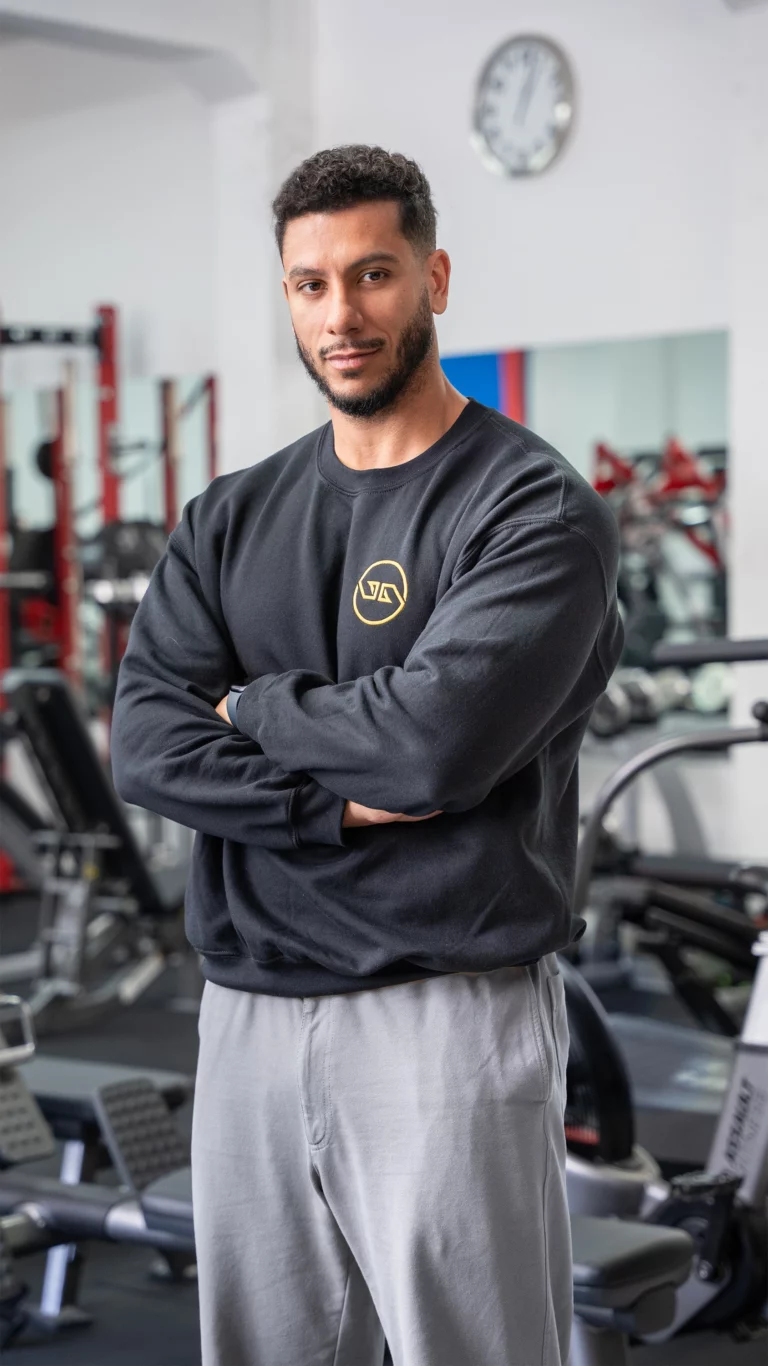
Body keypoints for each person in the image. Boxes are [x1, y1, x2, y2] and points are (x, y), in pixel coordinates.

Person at [111, 144, 623, 1366]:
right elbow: (143, 742)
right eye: (310, 285)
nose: (341, 315)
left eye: (373, 274)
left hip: (442, 1012)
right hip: (246, 1012)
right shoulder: (227, 517)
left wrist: (250, 706)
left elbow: (426, 749)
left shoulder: (532, 511)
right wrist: (332, 808)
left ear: (433, 275)